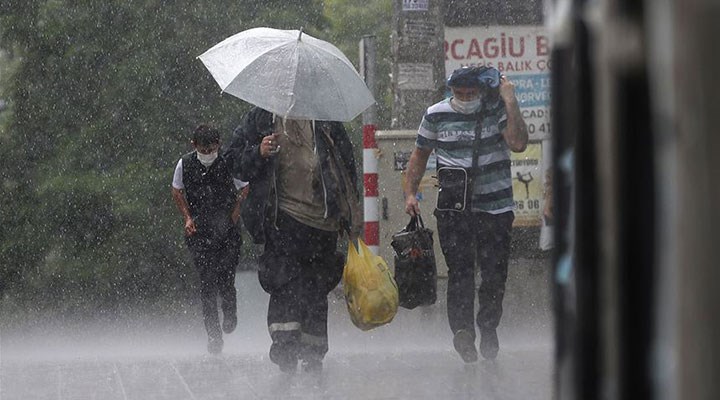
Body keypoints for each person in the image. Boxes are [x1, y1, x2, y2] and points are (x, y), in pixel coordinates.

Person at [403, 66, 528, 362]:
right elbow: (418, 156)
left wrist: (510, 101)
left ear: (482, 91)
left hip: (495, 209)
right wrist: (410, 193)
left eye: (470, 93)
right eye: (459, 93)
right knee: (460, 272)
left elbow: (518, 143)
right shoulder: (436, 114)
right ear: (451, 91)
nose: (465, 98)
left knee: (494, 274)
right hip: (454, 210)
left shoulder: (496, 109)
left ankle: (488, 326)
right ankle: (462, 331)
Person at [227, 107, 362, 373]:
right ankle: (285, 347)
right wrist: (258, 152)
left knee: (315, 286)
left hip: (323, 220)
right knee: (284, 281)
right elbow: (234, 162)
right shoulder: (261, 118)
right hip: (282, 217)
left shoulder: (326, 119)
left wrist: (348, 215)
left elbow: (346, 167)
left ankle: (313, 352)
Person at [171, 124, 248, 354]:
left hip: (227, 230)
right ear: (194, 146)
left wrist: (236, 210)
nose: (208, 154)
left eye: (211, 149)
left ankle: (230, 309)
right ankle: (214, 336)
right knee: (206, 283)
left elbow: (245, 187)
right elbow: (177, 190)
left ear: (218, 145)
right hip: (199, 232)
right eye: (203, 150)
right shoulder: (184, 164)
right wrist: (187, 217)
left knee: (226, 276)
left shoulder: (227, 162)